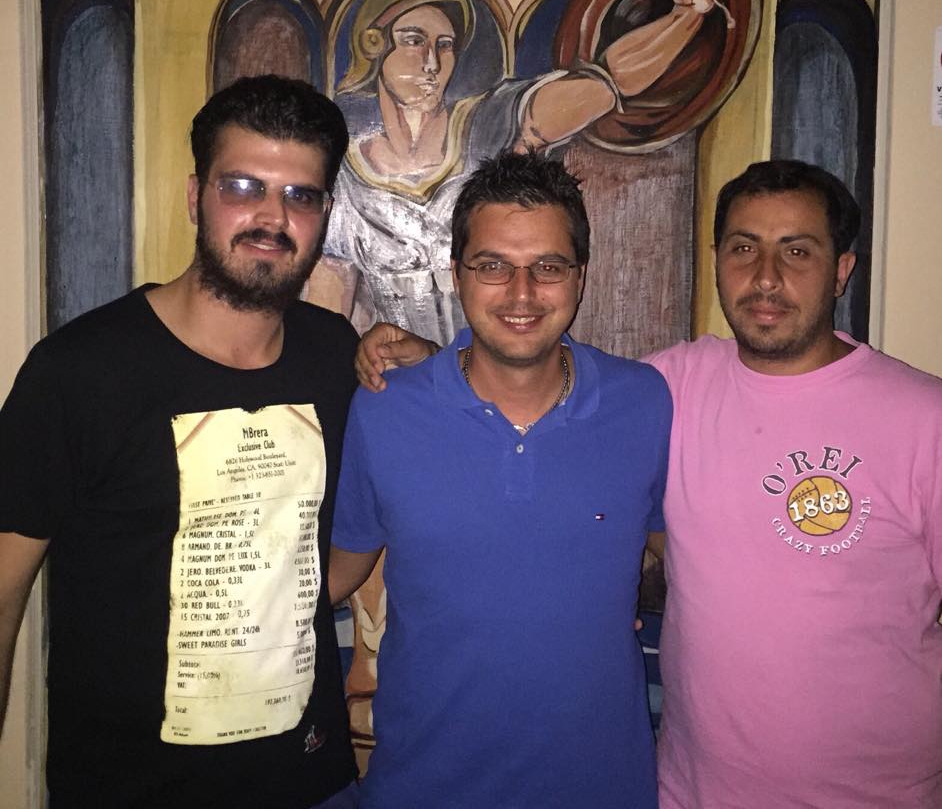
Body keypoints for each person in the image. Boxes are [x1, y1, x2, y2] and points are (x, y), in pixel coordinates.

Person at [356, 159, 942, 807]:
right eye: (744, 248)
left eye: (797, 251)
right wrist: (435, 365)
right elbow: (525, 372)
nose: (766, 276)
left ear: (841, 269)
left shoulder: (924, 418)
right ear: (718, 260)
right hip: (693, 790)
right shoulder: (669, 386)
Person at [0, 76, 361, 809]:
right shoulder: (79, 371)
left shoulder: (335, 357)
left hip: (310, 783)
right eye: (243, 186)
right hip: (130, 789)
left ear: (324, 215)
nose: (272, 217)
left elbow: (328, 555)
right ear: (196, 197)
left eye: (300, 196)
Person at [329, 149, 671, 808]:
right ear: (456, 274)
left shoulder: (643, 402)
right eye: (492, 266)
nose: (521, 293)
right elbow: (336, 573)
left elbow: (687, 560)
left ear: (580, 277)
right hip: (425, 786)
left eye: (548, 266)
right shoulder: (387, 408)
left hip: (600, 787)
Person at [316, 0, 726, 345]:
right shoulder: (344, 178)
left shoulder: (488, 123)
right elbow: (326, 321)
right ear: (373, 46)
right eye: (413, 40)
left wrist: (687, 14)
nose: (432, 63)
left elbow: (607, 83)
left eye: (445, 45)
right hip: (402, 382)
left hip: (503, 372)